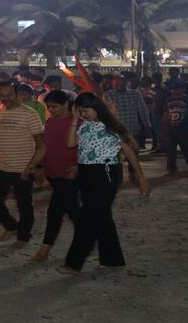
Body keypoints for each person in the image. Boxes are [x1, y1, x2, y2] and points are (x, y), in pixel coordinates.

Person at [60, 92, 152, 274]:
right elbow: (70, 144)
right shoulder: (84, 126)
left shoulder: (112, 126)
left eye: (86, 110)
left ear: (96, 108)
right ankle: (113, 259)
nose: (83, 114)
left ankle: (73, 262)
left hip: (107, 173)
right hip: (86, 174)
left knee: (89, 217)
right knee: (102, 216)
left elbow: (130, 153)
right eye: (80, 111)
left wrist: (142, 179)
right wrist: (74, 120)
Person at [0, 80, 45, 247]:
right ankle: (10, 226)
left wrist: (35, 166)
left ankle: (23, 235)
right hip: (0, 165)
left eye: (10, 95)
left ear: (18, 95)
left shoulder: (30, 114)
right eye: (2, 95)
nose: (6, 98)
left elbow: (41, 145)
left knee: (23, 203)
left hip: (23, 168)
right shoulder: (0, 112)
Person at [25, 91, 79, 263]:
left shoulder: (79, 122)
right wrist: (37, 166)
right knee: (71, 212)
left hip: (69, 175)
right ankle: (95, 240)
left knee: (57, 212)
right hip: (54, 174)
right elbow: (44, 147)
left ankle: (44, 250)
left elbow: (87, 149)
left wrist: (79, 167)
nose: (51, 110)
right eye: (49, 107)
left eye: (54, 107)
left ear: (66, 104)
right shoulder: (50, 123)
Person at [106, 73, 152, 150]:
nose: (119, 86)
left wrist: (147, 124)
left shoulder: (135, 94)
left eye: (121, 84)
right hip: (116, 132)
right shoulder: (108, 95)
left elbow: (142, 110)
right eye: (116, 85)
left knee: (133, 154)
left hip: (133, 131)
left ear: (126, 83)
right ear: (113, 84)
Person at [162, 80, 188, 173]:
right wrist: (164, 128)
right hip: (171, 129)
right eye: (173, 89)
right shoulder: (168, 100)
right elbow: (166, 115)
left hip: (185, 128)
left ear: (183, 89)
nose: (174, 91)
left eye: (177, 89)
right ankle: (171, 168)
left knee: (187, 149)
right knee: (171, 150)